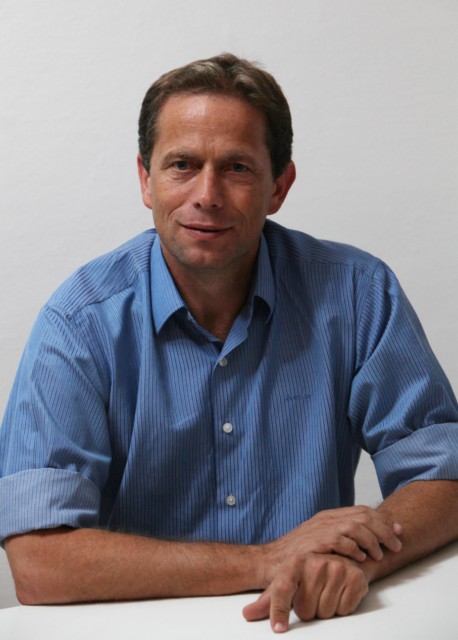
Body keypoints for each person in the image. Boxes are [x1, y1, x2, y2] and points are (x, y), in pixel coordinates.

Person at [1, 53, 458, 633]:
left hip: (313, 624)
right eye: (182, 165)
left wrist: (352, 561)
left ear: (279, 186)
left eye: (237, 168)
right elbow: (39, 562)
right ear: (146, 180)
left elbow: (445, 474)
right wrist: (269, 561)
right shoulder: (79, 324)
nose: (207, 194)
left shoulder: (357, 293)